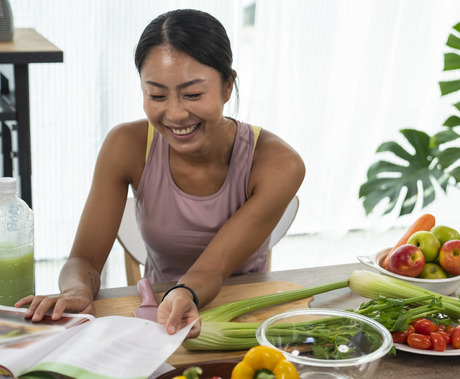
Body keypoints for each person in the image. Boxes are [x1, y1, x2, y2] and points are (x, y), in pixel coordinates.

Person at [17, 9, 305, 339]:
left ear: (228, 86)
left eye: (193, 94)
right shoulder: (125, 145)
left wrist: (184, 293)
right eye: (156, 95)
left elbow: (212, 269)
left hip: (244, 317)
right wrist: (75, 291)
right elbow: (83, 259)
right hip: (158, 315)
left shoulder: (278, 162)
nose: (176, 114)